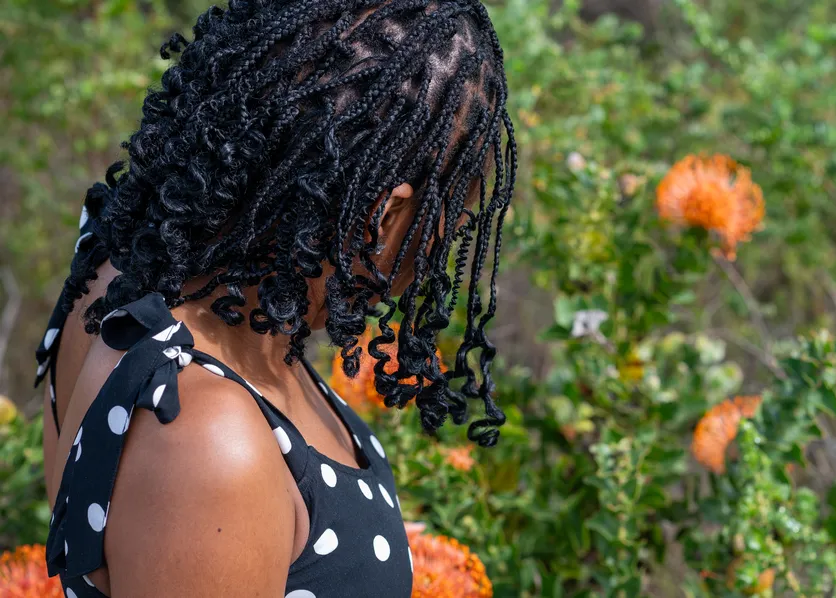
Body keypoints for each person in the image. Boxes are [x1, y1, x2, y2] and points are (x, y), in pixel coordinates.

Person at [33, 1, 516, 596]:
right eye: (442, 224)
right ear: (381, 215)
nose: (430, 261)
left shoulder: (122, 267)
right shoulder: (208, 440)